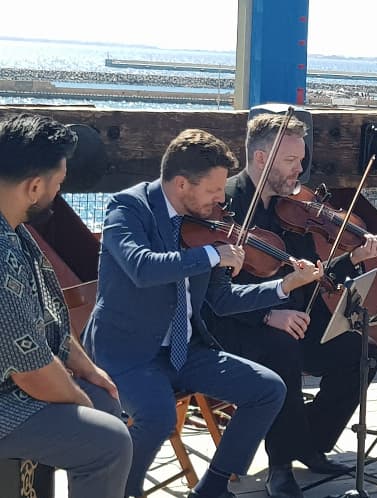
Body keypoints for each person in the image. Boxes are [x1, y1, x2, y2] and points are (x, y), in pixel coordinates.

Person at [81, 129, 324, 498]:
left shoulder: (207, 227)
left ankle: (211, 490)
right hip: (127, 351)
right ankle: (119, 492)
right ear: (181, 184)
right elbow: (140, 267)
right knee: (158, 417)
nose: (219, 198)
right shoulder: (128, 209)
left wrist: (284, 286)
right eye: (213, 191)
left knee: (268, 389)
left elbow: (222, 299)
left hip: (184, 350)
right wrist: (213, 256)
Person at [204, 114, 377, 498]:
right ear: (260, 159)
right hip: (240, 325)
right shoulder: (226, 204)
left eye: (301, 160)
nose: (300, 169)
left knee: (362, 354)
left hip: (297, 317)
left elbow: (312, 274)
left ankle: (309, 443)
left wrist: (352, 260)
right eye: (291, 161)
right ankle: (280, 464)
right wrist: (269, 313)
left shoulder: (296, 211)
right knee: (282, 347)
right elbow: (208, 294)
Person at [0, 113, 132, 497]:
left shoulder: (16, 229)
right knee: (108, 443)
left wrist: (89, 371)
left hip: (14, 381)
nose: (59, 193)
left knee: (107, 403)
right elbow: (32, 373)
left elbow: (48, 315)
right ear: (35, 186)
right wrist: (81, 401)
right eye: (59, 184)